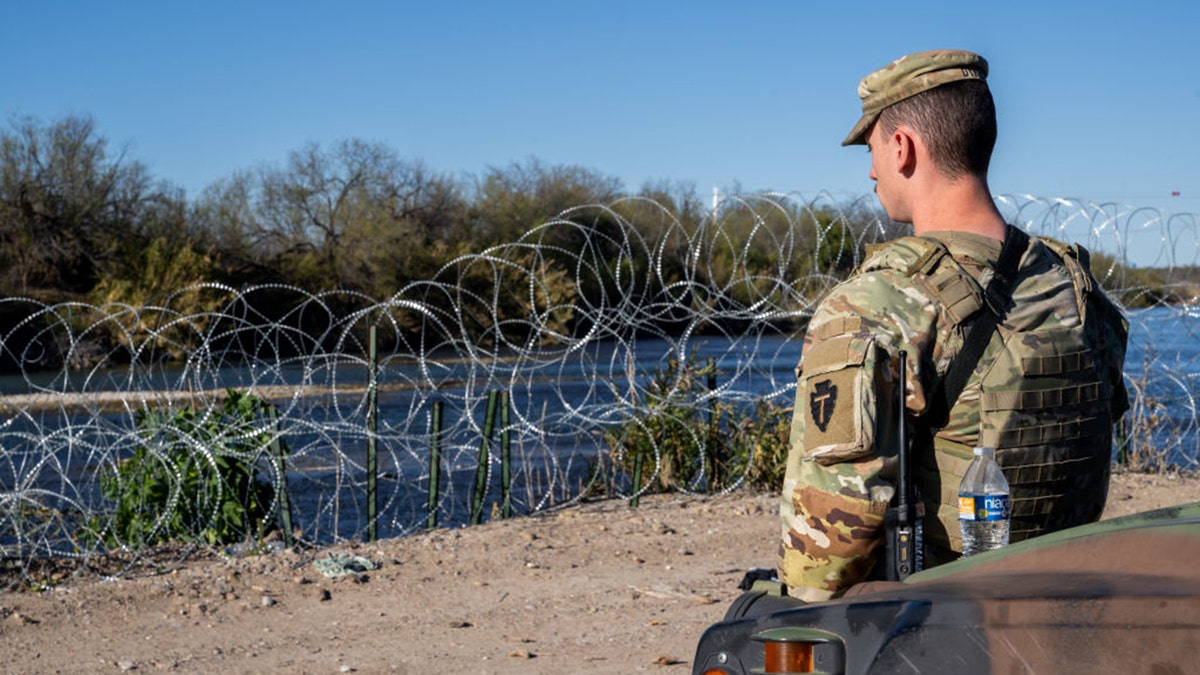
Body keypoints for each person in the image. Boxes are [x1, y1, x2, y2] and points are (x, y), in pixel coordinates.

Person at [777, 49, 1129, 601]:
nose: (871, 171)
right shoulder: (1073, 286)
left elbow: (825, 557)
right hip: (1069, 605)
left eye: (871, 151)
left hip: (946, 623)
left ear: (902, 147)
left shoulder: (877, 302)